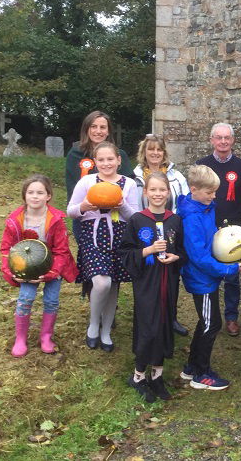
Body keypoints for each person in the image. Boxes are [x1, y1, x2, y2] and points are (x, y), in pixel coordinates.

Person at [177, 165, 241, 391]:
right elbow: (198, 256)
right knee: (212, 324)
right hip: (202, 279)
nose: (214, 196)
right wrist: (228, 270)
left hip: (207, 277)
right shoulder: (191, 218)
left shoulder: (204, 208)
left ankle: (191, 368)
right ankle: (201, 373)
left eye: (215, 192)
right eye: (209, 192)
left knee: (206, 322)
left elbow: (211, 242)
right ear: (194, 189)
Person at [119, 172, 187, 403]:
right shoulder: (137, 220)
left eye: (162, 190)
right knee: (148, 326)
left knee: (165, 324)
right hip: (147, 283)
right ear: (145, 192)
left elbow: (183, 251)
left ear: (168, 193)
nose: (158, 194)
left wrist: (175, 256)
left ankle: (157, 375)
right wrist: (147, 251)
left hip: (168, 282)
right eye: (153, 190)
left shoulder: (175, 220)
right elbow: (125, 253)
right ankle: (138, 376)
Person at [67, 141, 139, 352]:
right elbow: (70, 210)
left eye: (110, 159)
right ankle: (93, 324)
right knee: (101, 283)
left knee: (113, 283)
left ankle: (106, 331)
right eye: (101, 160)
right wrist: (84, 207)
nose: (106, 163)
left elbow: (134, 217)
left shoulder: (129, 184)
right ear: (95, 162)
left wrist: (122, 205)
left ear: (119, 160)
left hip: (119, 236)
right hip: (93, 236)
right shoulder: (87, 181)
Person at [1, 174, 79, 357]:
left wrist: (52, 272)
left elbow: (61, 250)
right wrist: (10, 271)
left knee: (51, 301)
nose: (35, 196)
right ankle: (20, 338)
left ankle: (46, 336)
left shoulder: (56, 219)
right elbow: (6, 249)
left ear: (48, 196)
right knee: (25, 299)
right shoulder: (15, 221)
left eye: (40, 192)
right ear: (24, 195)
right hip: (26, 267)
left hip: (53, 266)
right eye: (30, 192)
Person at [195, 123, 241, 337]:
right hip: (208, 227)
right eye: (218, 138)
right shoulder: (202, 165)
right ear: (211, 140)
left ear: (233, 140)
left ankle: (231, 317)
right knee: (208, 273)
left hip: (233, 228)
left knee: (233, 278)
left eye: (227, 138)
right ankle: (208, 316)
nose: (223, 142)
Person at [133, 133, 190, 336]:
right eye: (151, 149)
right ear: (144, 152)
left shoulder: (176, 176)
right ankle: (147, 316)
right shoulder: (136, 176)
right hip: (145, 232)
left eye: (159, 149)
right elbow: (133, 205)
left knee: (171, 276)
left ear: (164, 152)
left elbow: (184, 202)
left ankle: (171, 317)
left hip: (171, 228)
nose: (155, 153)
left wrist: (174, 223)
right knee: (148, 275)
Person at [65, 111, 134, 239]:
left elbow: (129, 190)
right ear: (87, 129)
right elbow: (72, 188)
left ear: (108, 131)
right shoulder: (75, 154)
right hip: (86, 217)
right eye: (93, 126)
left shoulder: (120, 155)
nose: (98, 131)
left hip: (117, 219)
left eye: (102, 127)